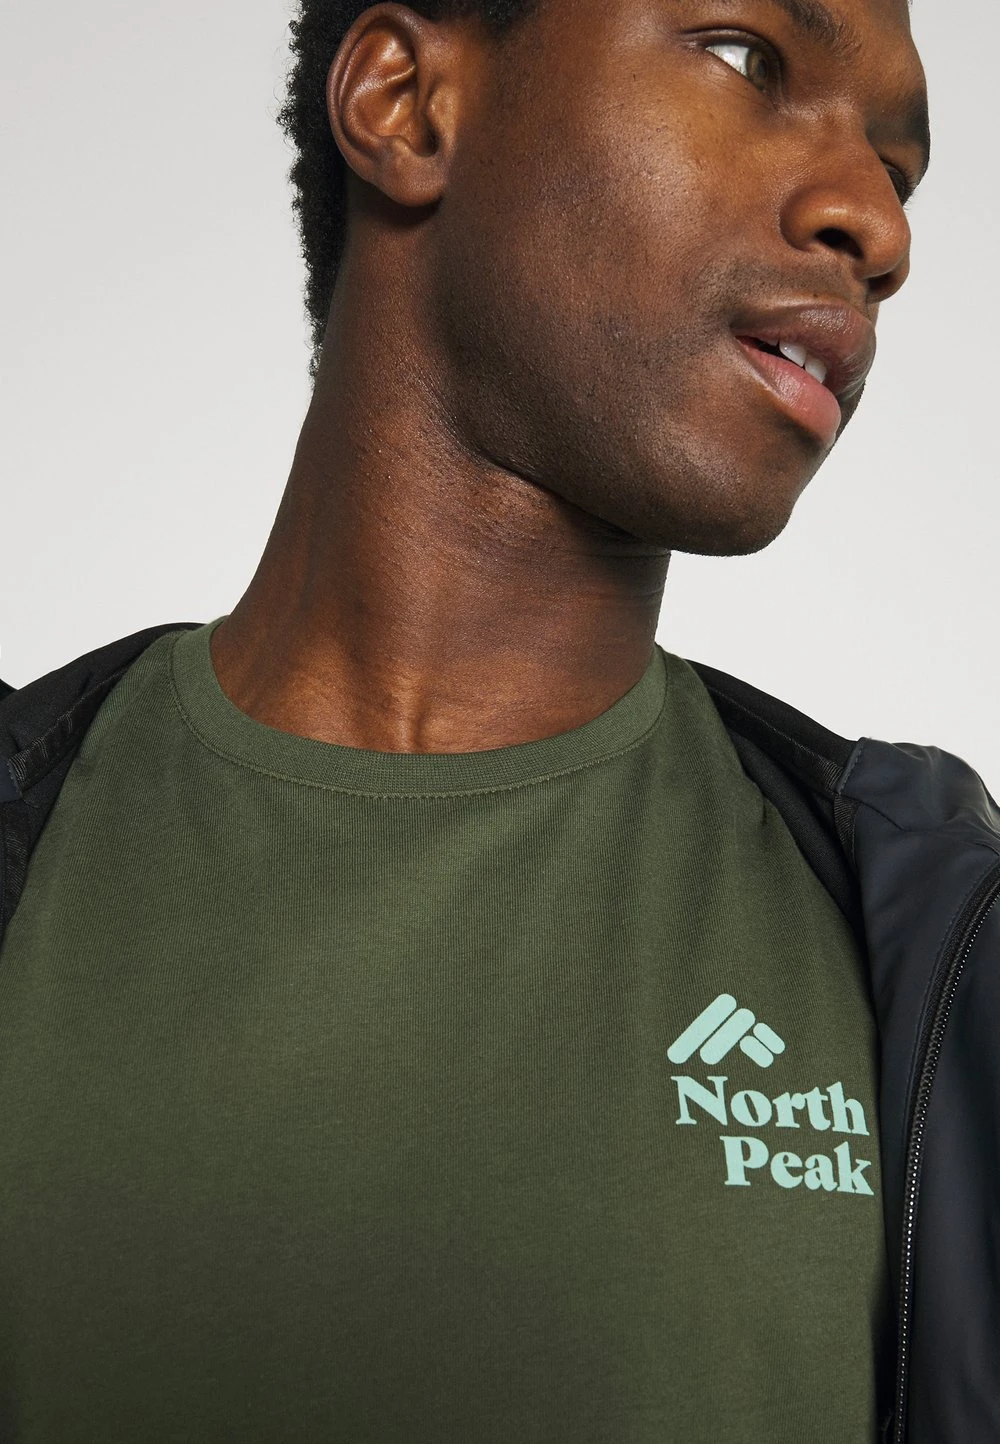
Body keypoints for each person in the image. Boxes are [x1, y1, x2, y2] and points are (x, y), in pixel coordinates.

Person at [2, 1, 995, 1440]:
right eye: (746, 58)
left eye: (899, 174)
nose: (877, 228)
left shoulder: (934, 941)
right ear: (405, 104)